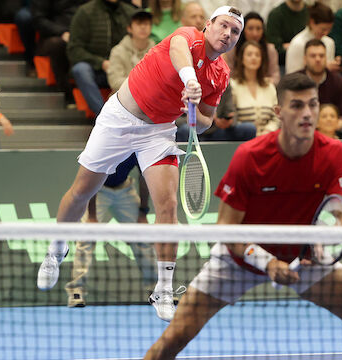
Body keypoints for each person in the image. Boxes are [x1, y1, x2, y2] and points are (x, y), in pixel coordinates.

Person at [144, 72, 342, 360]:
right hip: (238, 260)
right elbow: (226, 230)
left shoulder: (334, 154)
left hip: (303, 256)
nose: (307, 113)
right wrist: (267, 262)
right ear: (279, 112)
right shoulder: (251, 156)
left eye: (313, 104)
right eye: (297, 106)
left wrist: (323, 246)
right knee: (175, 337)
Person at [36, 6, 244, 323]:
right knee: (81, 191)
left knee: (168, 204)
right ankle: (56, 248)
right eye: (223, 26)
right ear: (208, 25)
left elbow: (203, 124)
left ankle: (163, 289)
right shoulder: (186, 37)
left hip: (158, 131)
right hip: (119, 118)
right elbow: (178, 52)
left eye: (235, 31)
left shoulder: (221, 74)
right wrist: (189, 80)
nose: (227, 34)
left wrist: (193, 107)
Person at [65, 154, 158, 307]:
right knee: (86, 237)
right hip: (98, 189)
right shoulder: (106, 141)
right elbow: (91, 179)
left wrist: (142, 213)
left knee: (143, 238)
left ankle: (156, 290)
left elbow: (144, 178)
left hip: (125, 190)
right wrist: (92, 217)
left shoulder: (137, 145)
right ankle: (76, 291)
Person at [67, 0, 135, 117]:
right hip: (97, 69)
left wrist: (117, 61)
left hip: (123, 67)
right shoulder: (85, 12)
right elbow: (74, 49)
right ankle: (104, 117)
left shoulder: (130, 12)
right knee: (81, 70)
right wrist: (100, 63)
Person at [31, 0, 89, 108]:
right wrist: (62, 32)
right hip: (53, 35)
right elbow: (38, 19)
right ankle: (67, 93)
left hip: (83, 32)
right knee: (58, 45)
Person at [298, 39, 342, 138]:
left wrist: (330, 127)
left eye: (321, 56)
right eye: (313, 56)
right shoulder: (295, 82)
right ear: (305, 59)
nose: (318, 59)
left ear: (326, 58)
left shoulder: (337, 80)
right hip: (302, 127)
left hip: (330, 128)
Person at [229, 41, 280, 136]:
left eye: (257, 55)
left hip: (267, 137)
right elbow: (233, 119)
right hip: (242, 138)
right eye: (249, 54)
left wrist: (268, 131)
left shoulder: (269, 85)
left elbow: (276, 117)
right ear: (242, 59)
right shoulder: (233, 85)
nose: (254, 58)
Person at [223, 12, 280, 86]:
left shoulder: (270, 50)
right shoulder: (232, 49)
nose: (255, 33)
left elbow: (275, 77)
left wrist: (260, 84)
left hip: (263, 87)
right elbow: (227, 75)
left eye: (258, 29)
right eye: (250, 28)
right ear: (243, 30)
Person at [106, 10, 156, 93]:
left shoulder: (155, 52)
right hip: (122, 100)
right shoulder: (117, 51)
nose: (143, 27)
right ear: (129, 28)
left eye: (146, 24)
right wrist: (141, 83)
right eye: (138, 23)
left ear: (151, 28)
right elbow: (114, 82)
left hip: (150, 98)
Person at [285, 1, 336, 74]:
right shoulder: (297, 44)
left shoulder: (329, 43)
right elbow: (292, 76)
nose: (326, 33)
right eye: (323, 29)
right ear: (312, 23)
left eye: (329, 29)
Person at [266, 0, 310, 66]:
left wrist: (289, 46)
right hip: (282, 64)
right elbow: (275, 49)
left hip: (310, 63)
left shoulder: (311, 12)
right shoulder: (276, 14)